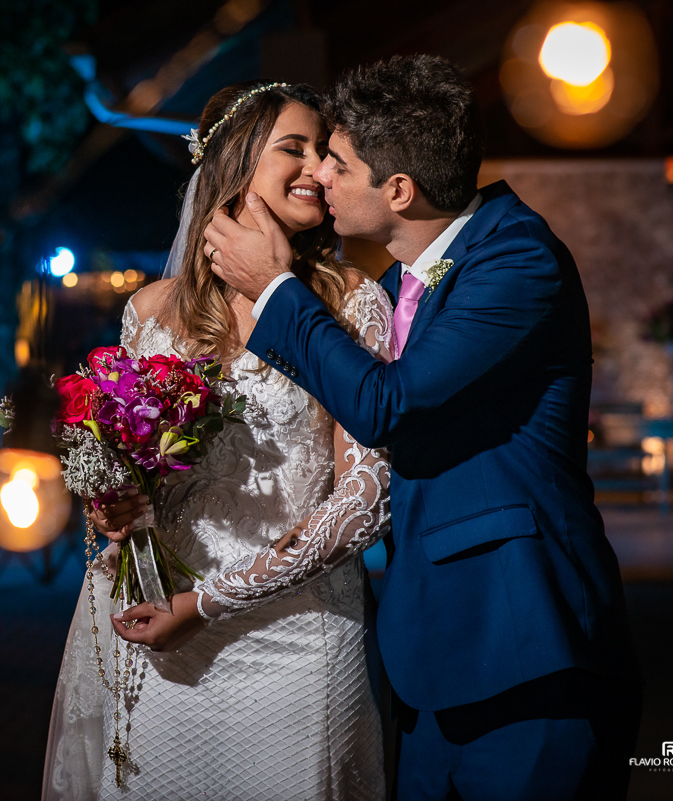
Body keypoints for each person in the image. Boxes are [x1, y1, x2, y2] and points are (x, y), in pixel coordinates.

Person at [198, 56, 642, 800]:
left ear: (398, 191)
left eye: (336, 162)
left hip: (525, 649)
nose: (320, 178)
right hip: (428, 660)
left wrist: (272, 286)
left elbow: (386, 404)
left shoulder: (515, 257)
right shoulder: (398, 281)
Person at [42, 81, 395, 801]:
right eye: (292, 149)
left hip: (298, 643)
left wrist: (210, 601)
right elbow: (133, 477)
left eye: (324, 154)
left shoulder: (353, 301)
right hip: (163, 635)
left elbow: (364, 503)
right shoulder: (150, 310)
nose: (317, 170)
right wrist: (112, 509)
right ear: (234, 163)